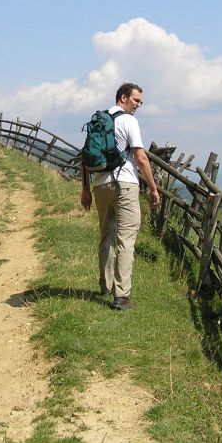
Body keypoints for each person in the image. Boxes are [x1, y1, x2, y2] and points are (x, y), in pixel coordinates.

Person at [80, 82, 161, 310]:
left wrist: (85, 189)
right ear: (123, 97)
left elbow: (84, 158)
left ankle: (106, 285)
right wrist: (153, 189)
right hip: (124, 185)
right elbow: (141, 158)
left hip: (100, 186)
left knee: (106, 235)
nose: (138, 105)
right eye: (136, 100)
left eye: (140, 102)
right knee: (126, 239)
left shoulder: (99, 120)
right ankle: (121, 295)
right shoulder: (128, 121)